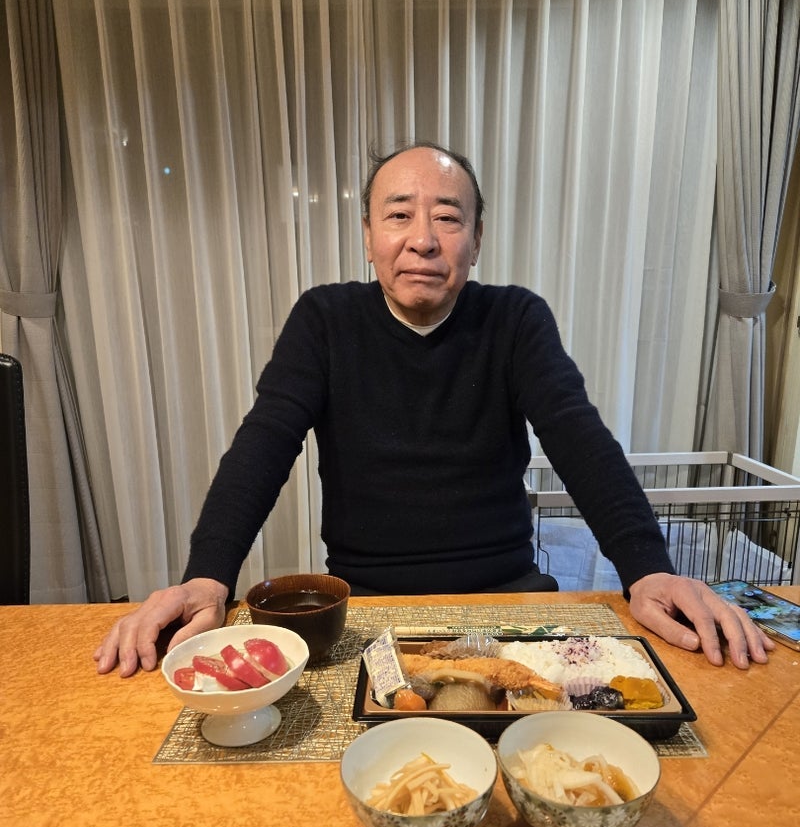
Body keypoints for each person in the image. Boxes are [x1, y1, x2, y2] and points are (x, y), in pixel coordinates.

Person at [94, 142, 772, 676]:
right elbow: (264, 442)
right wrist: (208, 578)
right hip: (367, 607)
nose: (423, 238)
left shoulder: (515, 319)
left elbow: (579, 437)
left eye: (448, 217)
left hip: (508, 596)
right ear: (368, 235)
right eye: (399, 215)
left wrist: (647, 569)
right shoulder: (325, 319)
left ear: (476, 238)